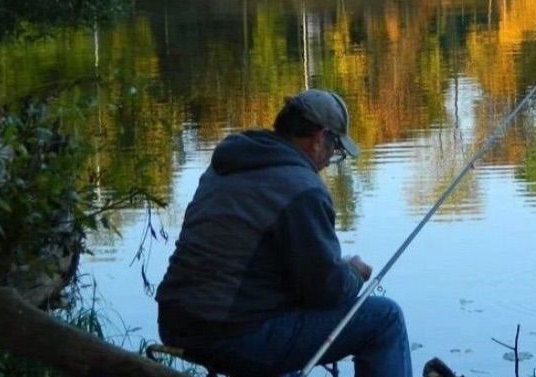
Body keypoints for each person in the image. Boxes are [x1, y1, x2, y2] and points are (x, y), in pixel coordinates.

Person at [156, 89, 412, 377]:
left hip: (176, 323)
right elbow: (327, 292)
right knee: (384, 319)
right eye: (335, 149)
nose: (329, 161)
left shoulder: (227, 165)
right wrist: (353, 273)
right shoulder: (301, 188)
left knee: (284, 310)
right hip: (231, 335)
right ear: (319, 138)